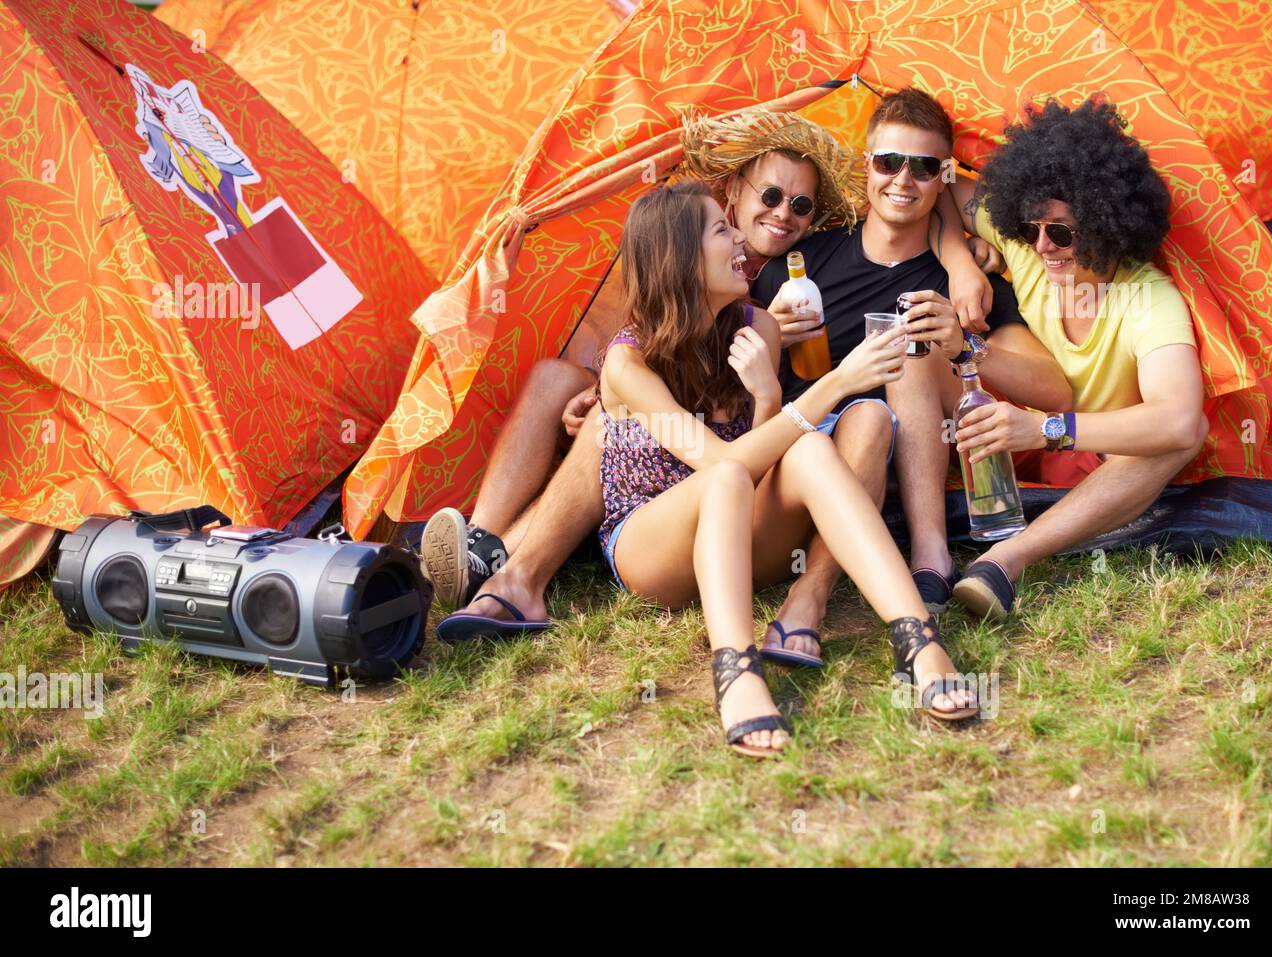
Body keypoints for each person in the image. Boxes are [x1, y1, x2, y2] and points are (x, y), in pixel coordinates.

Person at [422, 107, 993, 608]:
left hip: (742, 456)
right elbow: (646, 336)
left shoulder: (784, 274)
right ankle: (486, 544)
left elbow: (926, 197)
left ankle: (508, 568)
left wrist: (962, 257)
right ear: (733, 195)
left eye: (801, 205)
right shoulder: (680, 239)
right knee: (565, 387)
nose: (783, 216)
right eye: (770, 197)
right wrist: (606, 388)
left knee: (609, 421)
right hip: (682, 442)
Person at [592, 181, 978, 756]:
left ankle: (916, 638)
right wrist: (836, 382)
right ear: (679, 256)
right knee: (732, 470)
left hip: (737, 534)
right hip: (652, 548)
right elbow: (722, 466)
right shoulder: (629, 361)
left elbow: (762, 449)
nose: (739, 241)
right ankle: (737, 672)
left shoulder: (757, 328)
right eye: (720, 231)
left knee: (828, 438)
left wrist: (770, 399)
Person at [747, 87, 1072, 665]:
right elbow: (722, 365)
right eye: (888, 161)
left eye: (924, 167)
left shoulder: (967, 281)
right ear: (865, 166)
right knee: (862, 414)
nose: (903, 179)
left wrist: (965, 345)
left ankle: (901, 567)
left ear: (944, 177)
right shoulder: (802, 263)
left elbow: (1055, 390)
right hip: (798, 464)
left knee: (903, 365)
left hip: (895, 455)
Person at [936, 97, 1208, 622]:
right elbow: (941, 177)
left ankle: (1005, 562)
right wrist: (959, 260)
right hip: (997, 439)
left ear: (1106, 224)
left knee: (1184, 435)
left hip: (1089, 462)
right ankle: (929, 557)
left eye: (1060, 232)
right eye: (1031, 227)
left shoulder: (1148, 299)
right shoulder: (1030, 250)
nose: (1042, 245)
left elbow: (1177, 418)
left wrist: (1046, 429)